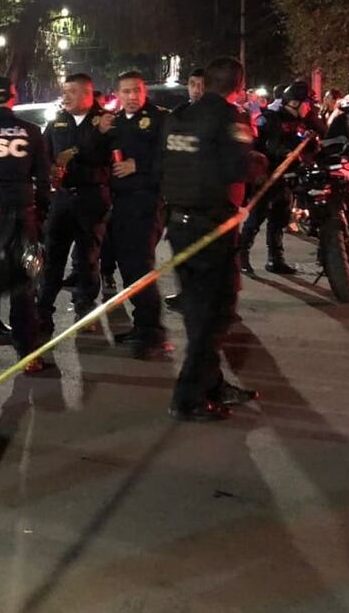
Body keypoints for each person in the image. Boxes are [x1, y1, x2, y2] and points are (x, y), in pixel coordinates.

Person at [160, 56, 259, 422]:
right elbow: (241, 168)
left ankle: (213, 383)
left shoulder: (178, 116)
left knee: (198, 309)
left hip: (180, 224)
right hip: (210, 229)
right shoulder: (230, 119)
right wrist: (258, 161)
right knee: (214, 314)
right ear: (238, 83)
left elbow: (165, 165)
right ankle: (189, 397)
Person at [0, 75, 50, 372]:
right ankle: (27, 354)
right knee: (24, 288)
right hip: (21, 218)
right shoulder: (31, 132)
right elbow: (43, 181)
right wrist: (39, 218)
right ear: (13, 98)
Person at [37, 73, 114, 339]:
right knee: (52, 256)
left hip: (91, 198)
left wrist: (84, 146)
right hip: (62, 199)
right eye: (64, 91)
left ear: (87, 94)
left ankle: (84, 309)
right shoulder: (58, 121)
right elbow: (45, 153)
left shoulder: (104, 122)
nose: (65, 97)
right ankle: (42, 311)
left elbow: (105, 158)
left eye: (71, 92)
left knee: (87, 259)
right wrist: (49, 171)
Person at [106, 71, 172, 359]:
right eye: (126, 91)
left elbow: (168, 157)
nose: (132, 97)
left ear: (144, 92)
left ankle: (154, 333)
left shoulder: (160, 119)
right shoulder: (115, 123)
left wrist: (139, 165)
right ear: (117, 94)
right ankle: (141, 324)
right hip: (120, 204)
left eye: (137, 91)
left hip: (147, 202)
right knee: (128, 268)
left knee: (141, 267)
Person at [241, 80, 315, 275]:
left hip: (286, 177)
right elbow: (272, 145)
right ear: (295, 103)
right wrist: (288, 152)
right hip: (268, 175)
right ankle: (241, 256)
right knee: (257, 217)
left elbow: (314, 140)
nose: (310, 107)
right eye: (307, 103)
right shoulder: (273, 118)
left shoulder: (303, 120)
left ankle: (275, 259)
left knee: (279, 218)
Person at [164, 68, 207, 312]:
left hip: (209, 198)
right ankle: (185, 293)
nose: (197, 89)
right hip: (181, 196)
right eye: (192, 84)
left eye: (201, 84)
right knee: (181, 250)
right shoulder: (178, 115)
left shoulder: (219, 115)